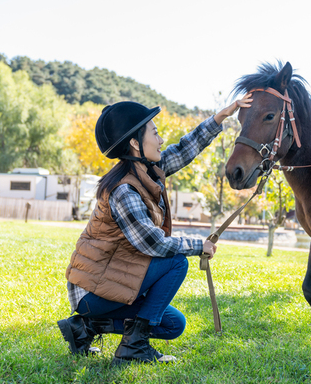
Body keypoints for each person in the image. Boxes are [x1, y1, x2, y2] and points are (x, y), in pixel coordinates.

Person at [58, 96, 250, 365]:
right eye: (155, 133)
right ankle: (133, 347)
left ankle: (85, 329)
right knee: (176, 262)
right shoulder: (124, 190)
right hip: (92, 294)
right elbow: (154, 245)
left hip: (112, 283)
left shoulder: (146, 170)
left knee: (173, 325)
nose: (161, 140)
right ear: (135, 143)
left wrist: (221, 117)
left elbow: (184, 150)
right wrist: (199, 246)